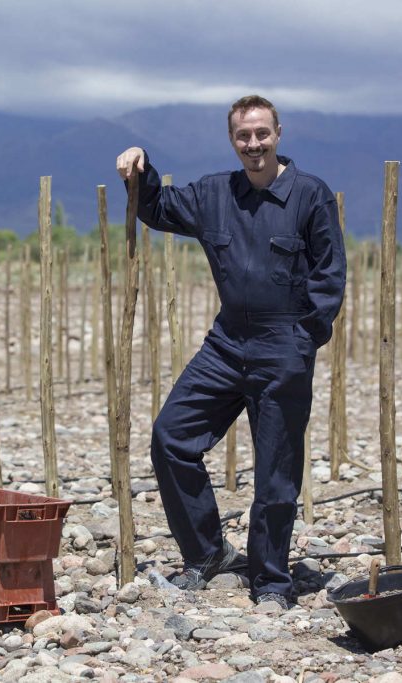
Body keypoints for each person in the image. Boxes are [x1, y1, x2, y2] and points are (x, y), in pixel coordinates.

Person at [116, 95, 345, 607]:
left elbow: (330, 277)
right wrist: (140, 166)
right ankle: (207, 554)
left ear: (279, 133)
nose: (254, 144)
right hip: (226, 344)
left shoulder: (311, 195)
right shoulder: (215, 193)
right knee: (171, 437)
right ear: (232, 139)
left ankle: (271, 581)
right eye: (244, 136)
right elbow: (157, 208)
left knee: (276, 471)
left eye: (262, 133)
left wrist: (303, 341)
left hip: (283, 344)